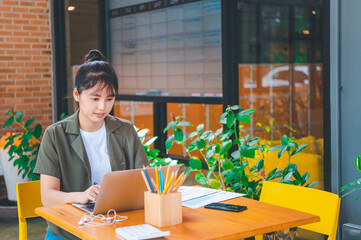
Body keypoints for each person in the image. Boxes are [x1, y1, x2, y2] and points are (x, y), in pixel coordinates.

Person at [34, 49, 148, 240]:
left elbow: (146, 182)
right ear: (77, 95)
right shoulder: (55, 135)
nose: (103, 107)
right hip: (69, 232)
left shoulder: (126, 130)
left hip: (119, 227)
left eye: (109, 99)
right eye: (95, 98)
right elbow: (47, 196)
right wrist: (81, 196)